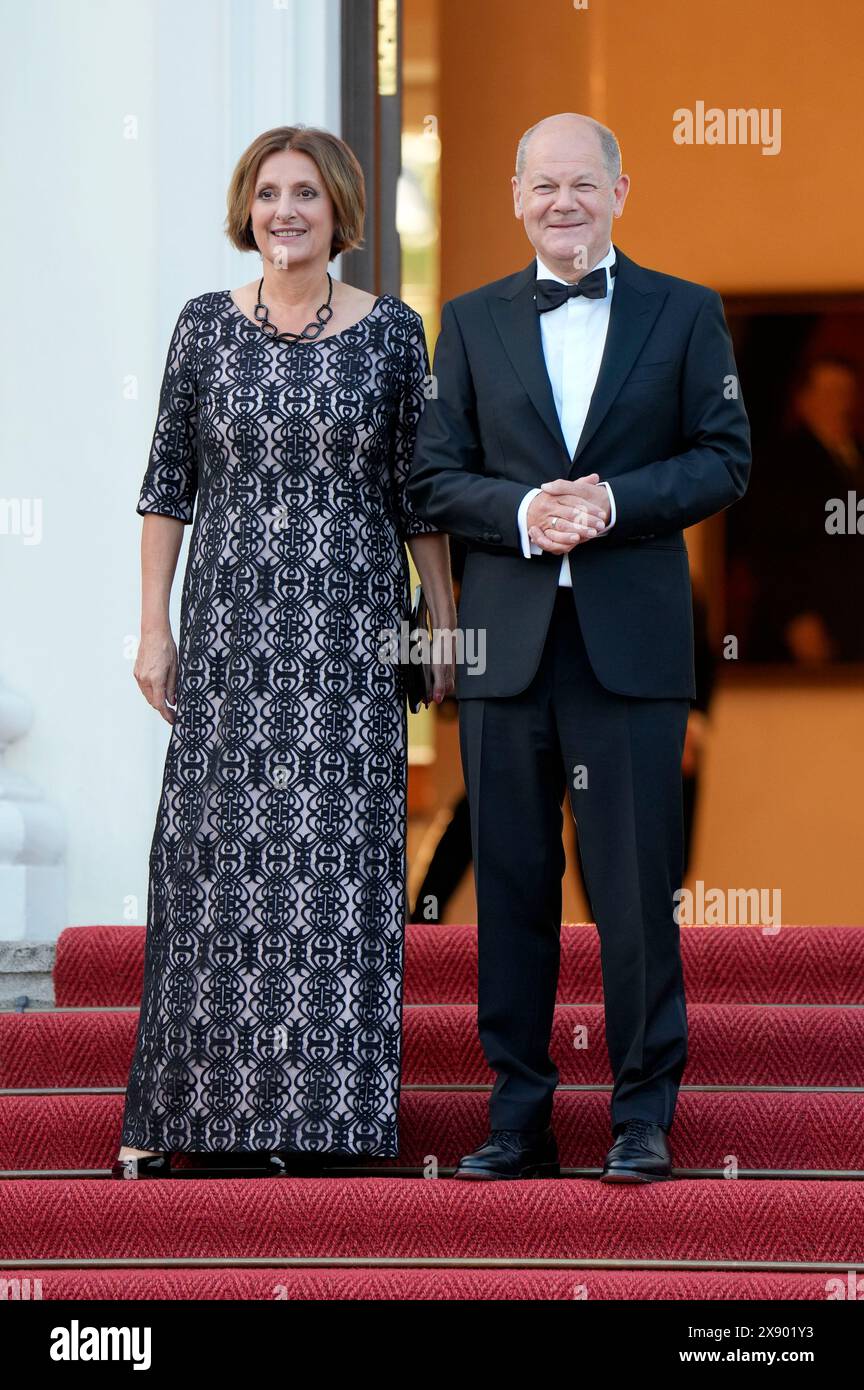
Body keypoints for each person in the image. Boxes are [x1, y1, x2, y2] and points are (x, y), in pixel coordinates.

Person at [408, 112, 750, 1183]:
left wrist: (612, 499)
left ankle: (642, 1114)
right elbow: (428, 478)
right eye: (544, 185)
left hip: (632, 651)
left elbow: (724, 457)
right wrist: (521, 513)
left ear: (620, 190)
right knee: (510, 883)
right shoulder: (465, 323)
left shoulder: (686, 313)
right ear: (516, 196)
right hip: (506, 649)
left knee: (636, 890)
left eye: (583, 184)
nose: (564, 201)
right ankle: (519, 1116)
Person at [114, 124, 454, 1179]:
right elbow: (168, 485)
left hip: (352, 640)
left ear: (340, 210)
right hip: (228, 638)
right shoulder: (204, 331)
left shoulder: (397, 336)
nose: (286, 211)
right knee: (217, 869)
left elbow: (420, 496)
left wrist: (440, 613)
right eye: (269, 193)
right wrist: (153, 625)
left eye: (306, 193)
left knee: (338, 870)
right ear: (247, 209)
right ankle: (200, 1120)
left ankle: (332, 1124)